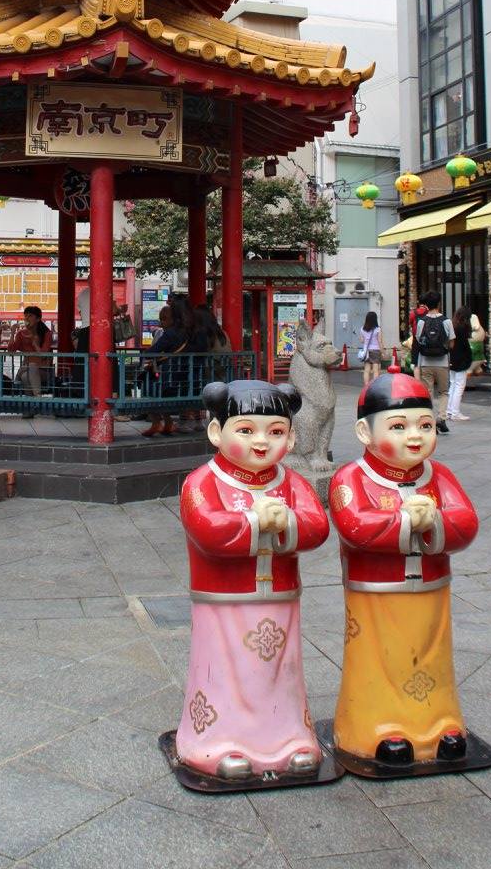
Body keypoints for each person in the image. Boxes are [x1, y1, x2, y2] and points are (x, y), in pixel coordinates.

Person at [174, 379, 330, 781]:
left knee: (280, 674)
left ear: (291, 439)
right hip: (223, 603)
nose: (262, 442)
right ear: (216, 432)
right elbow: (207, 527)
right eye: (246, 430)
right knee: (225, 674)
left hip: (279, 598)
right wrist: (257, 521)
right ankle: (216, 744)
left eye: (276, 432)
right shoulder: (201, 482)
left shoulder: (291, 484)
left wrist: (287, 522)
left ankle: (290, 739)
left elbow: (317, 525)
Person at [328, 373, 480, 771]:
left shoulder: (439, 476)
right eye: (398, 426)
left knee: (432, 657)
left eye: (425, 425)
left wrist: (436, 521)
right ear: (365, 431)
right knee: (379, 659)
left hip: (431, 589)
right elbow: (354, 524)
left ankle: (440, 723)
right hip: (375, 595)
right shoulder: (351, 478)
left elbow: (466, 521)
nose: (415, 436)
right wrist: (404, 521)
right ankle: (376, 725)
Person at [140, 295, 191, 436]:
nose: (161, 322)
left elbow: (153, 350)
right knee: (157, 387)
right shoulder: (186, 332)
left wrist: (144, 354)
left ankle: (156, 422)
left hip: (170, 378)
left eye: (164, 319)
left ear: (172, 319)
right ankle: (168, 422)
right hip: (186, 377)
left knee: (148, 387)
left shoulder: (169, 334)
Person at [414, 290, 454, 434]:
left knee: (428, 392)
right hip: (442, 362)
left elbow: (418, 340)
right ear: (439, 303)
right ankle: (441, 418)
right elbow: (451, 343)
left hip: (425, 362)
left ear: (426, 305)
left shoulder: (421, 322)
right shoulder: (446, 321)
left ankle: (430, 420)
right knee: (444, 392)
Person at [10, 306, 54, 395]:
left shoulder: (47, 334)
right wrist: (12, 333)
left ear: (38, 319)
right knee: (27, 375)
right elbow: (11, 351)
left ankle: (30, 401)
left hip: (43, 370)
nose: (26, 318)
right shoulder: (21, 333)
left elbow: (44, 355)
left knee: (31, 368)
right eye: (25, 315)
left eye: (30, 316)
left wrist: (35, 343)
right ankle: (36, 399)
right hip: (27, 370)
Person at [446, 305, 473, 422]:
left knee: (452, 385)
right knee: (459, 386)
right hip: (461, 361)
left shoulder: (453, 326)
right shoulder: (463, 328)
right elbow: (466, 347)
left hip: (452, 359)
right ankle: (455, 412)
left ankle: (449, 411)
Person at [358, 311, 383, 385]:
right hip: (375, 350)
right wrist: (383, 352)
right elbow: (380, 341)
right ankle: (375, 386)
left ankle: (366, 386)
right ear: (375, 319)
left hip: (366, 351)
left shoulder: (362, 329)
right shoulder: (378, 329)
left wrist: (362, 339)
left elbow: (362, 341)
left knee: (366, 370)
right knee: (376, 370)